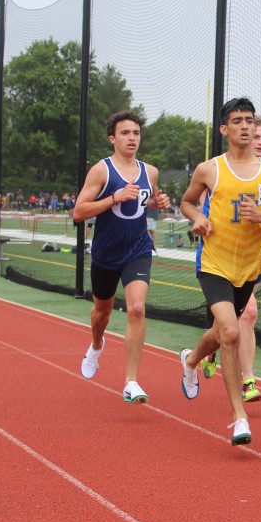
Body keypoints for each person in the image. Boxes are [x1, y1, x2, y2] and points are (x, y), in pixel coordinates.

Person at [177, 98, 261, 446]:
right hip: (214, 263)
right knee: (230, 333)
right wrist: (197, 218)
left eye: (249, 120)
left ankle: (191, 360)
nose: (245, 126)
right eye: (237, 121)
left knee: (219, 334)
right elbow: (186, 202)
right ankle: (239, 418)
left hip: (249, 268)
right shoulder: (209, 169)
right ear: (224, 129)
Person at [72, 111, 170, 404]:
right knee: (101, 313)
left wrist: (158, 202)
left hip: (137, 250)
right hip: (106, 254)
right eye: (125, 133)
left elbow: (145, 201)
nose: (132, 138)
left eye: (136, 133)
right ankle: (96, 344)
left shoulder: (150, 171)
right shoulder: (101, 171)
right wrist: (114, 197)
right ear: (112, 139)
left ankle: (131, 382)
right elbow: (79, 212)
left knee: (137, 308)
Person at [201, 116, 261, 403]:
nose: (259, 142)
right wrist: (202, 220)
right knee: (241, 316)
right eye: (256, 137)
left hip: (253, 253)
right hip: (218, 253)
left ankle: (221, 354)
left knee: (244, 315)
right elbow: (200, 204)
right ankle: (246, 378)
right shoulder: (218, 169)